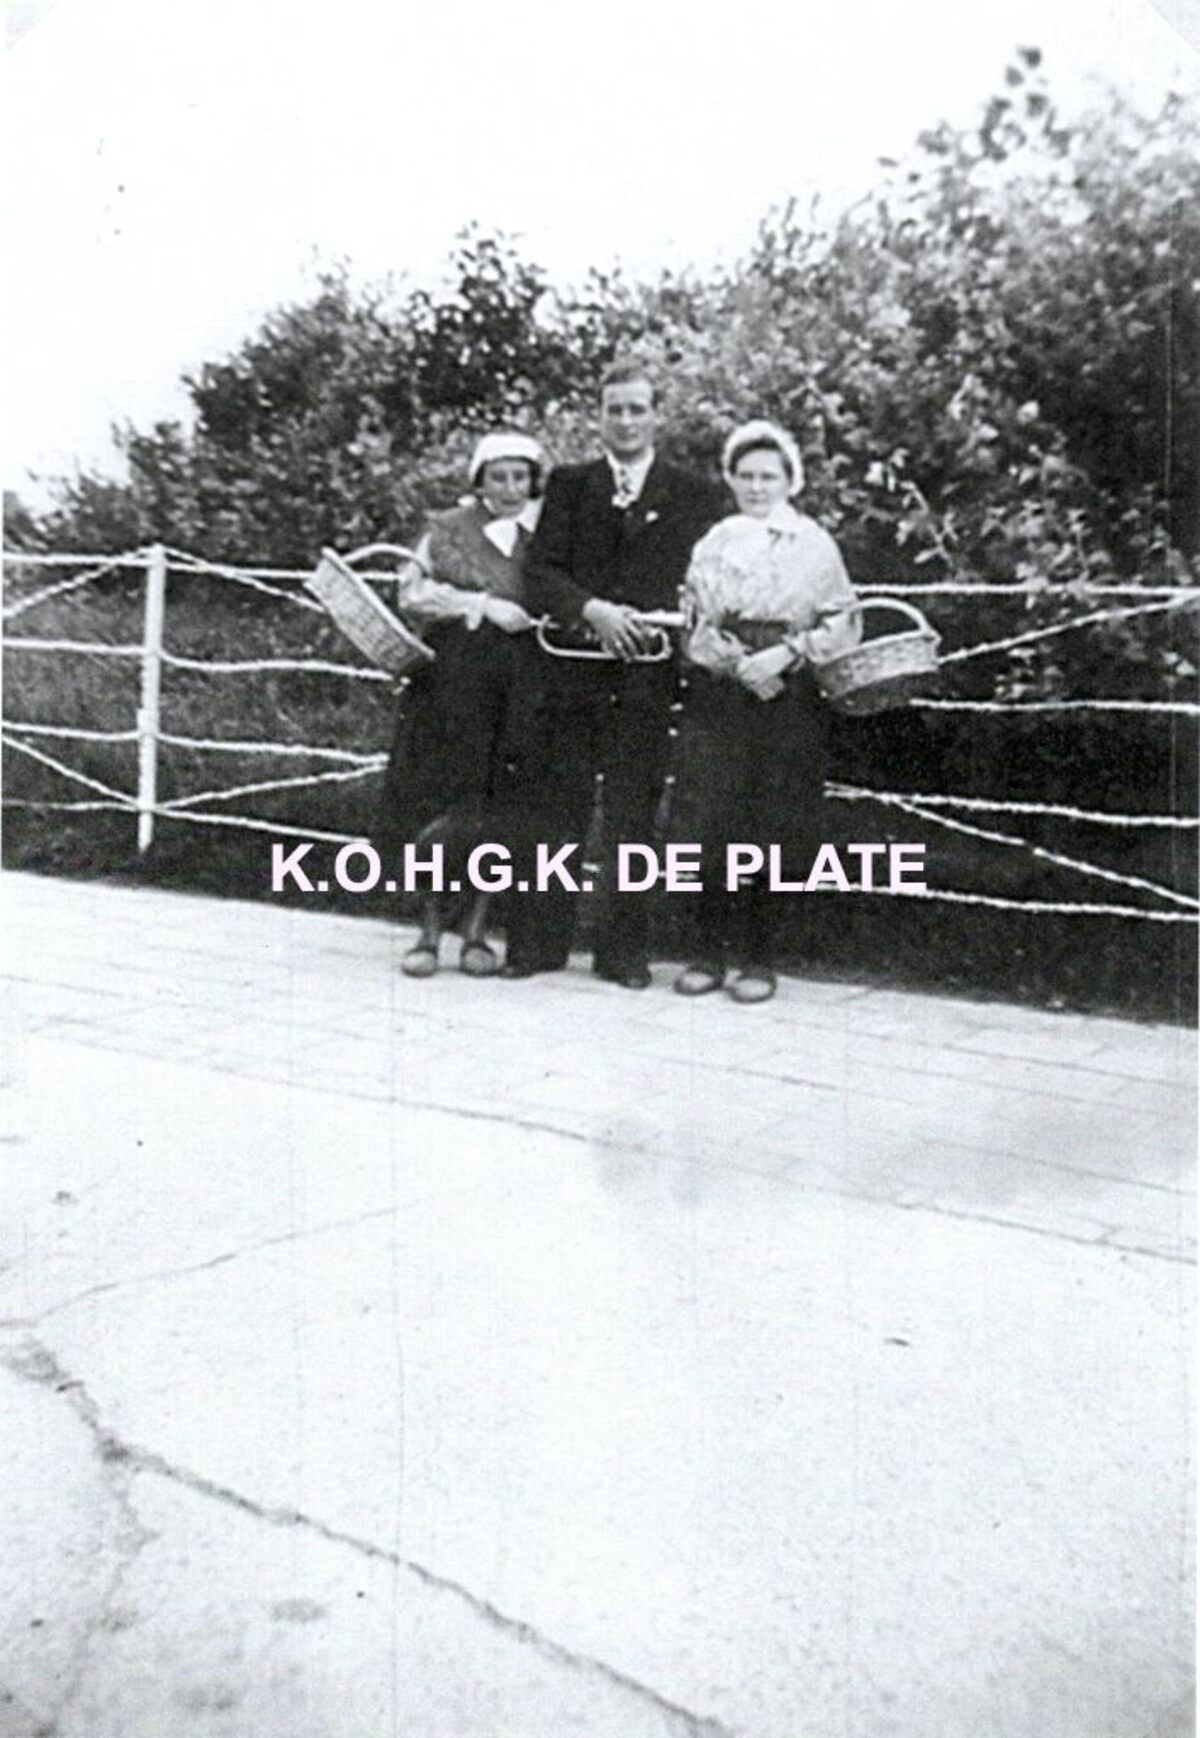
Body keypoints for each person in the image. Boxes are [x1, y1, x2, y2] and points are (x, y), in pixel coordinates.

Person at [503, 362, 722, 987]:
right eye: (614, 409)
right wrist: (593, 610)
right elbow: (540, 573)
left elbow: (707, 578)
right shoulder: (570, 485)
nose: (625, 421)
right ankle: (537, 944)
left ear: (656, 417)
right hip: (571, 670)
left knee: (633, 810)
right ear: (599, 417)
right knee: (555, 802)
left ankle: (623, 954)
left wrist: (677, 617)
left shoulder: (691, 492)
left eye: (636, 409)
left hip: (646, 675)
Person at [671, 419, 862, 1004]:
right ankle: (707, 952)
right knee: (710, 817)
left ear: (789, 481)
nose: (757, 487)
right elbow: (693, 622)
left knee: (771, 820)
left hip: (786, 692)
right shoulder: (715, 541)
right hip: (722, 691)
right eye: (747, 476)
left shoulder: (814, 544)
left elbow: (844, 620)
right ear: (731, 479)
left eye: (768, 477)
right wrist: (732, 662)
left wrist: (787, 654)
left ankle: (759, 958)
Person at [378, 431, 543, 977]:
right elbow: (411, 592)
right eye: (498, 477)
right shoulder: (448, 529)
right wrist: (481, 604)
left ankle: (476, 932)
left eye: (519, 477)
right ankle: (428, 932)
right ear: (480, 481)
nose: (510, 488)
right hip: (453, 678)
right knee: (444, 800)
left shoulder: (546, 533)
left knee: (498, 804)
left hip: (518, 682)